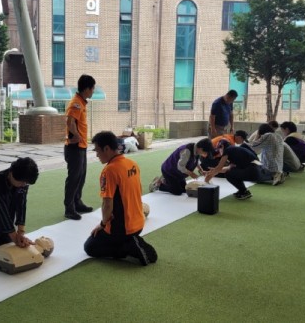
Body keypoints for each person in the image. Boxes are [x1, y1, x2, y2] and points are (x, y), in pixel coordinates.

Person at [83, 131, 157, 266]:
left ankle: (129, 248)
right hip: (139, 222)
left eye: (97, 150)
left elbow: (107, 204)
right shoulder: (132, 163)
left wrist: (103, 225)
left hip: (122, 228)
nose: (97, 155)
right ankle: (130, 241)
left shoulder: (109, 171)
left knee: (90, 246)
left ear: (106, 149)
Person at [63, 74, 96, 220]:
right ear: (87, 89)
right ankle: (69, 208)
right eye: (92, 88)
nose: (93, 91)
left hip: (81, 146)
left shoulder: (81, 102)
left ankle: (77, 202)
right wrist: (75, 136)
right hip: (75, 147)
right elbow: (70, 122)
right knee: (74, 178)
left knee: (81, 177)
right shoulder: (76, 103)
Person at [149, 138, 215, 195]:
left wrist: (201, 170)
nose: (206, 155)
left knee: (185, 189)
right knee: (177, 191)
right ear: (201, 149)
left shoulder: (197, 150)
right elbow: (180, 167)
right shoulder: (187, 151)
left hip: (178, 173)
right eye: (206, 152)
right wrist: (191, 173)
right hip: (169, 171)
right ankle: (159, 185)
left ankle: (166, 181)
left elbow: (196, 161)